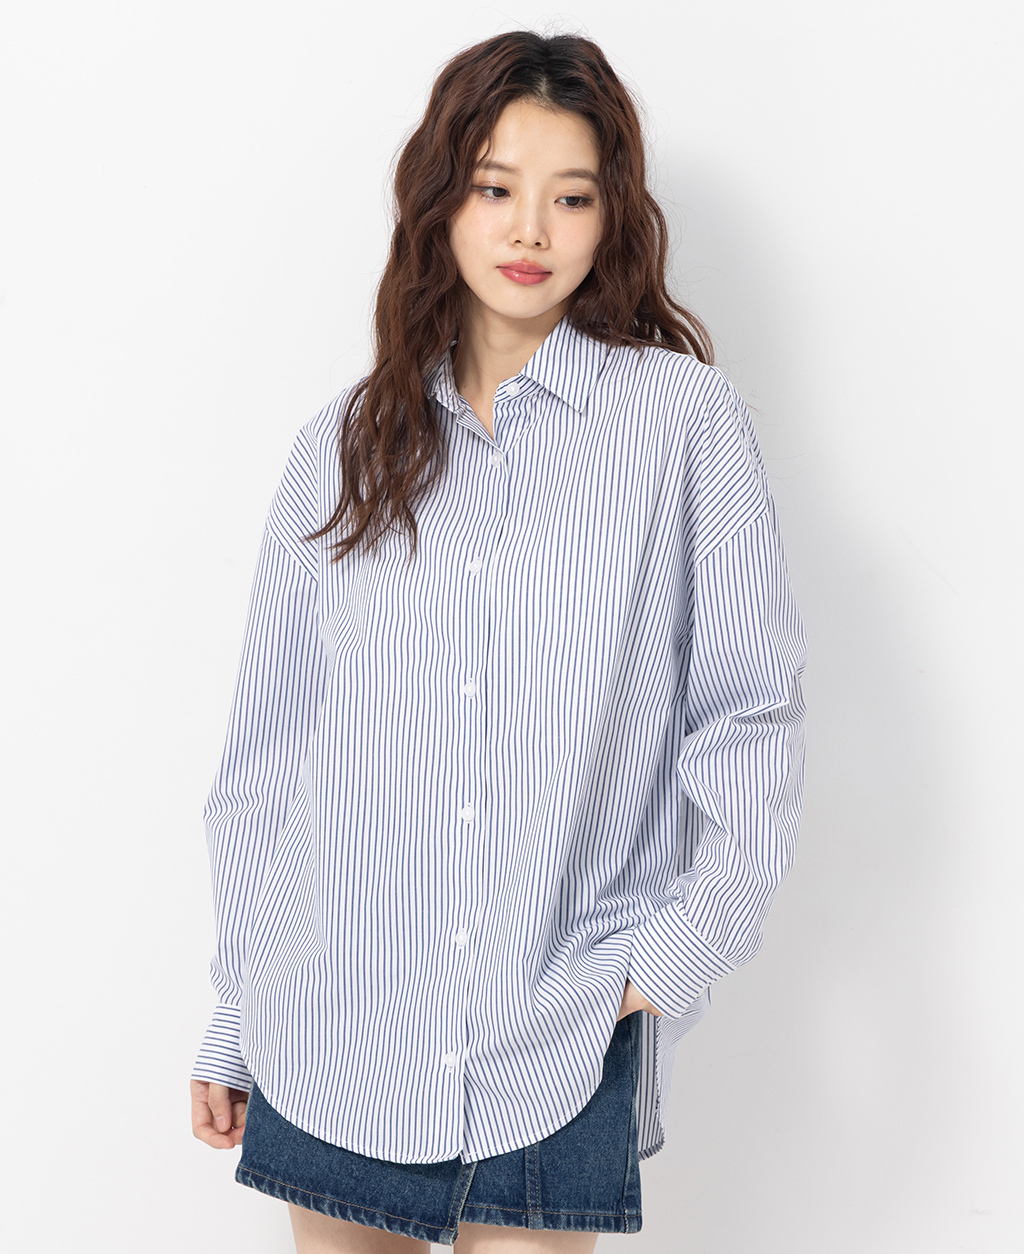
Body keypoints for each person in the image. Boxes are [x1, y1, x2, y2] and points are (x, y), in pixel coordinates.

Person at [190, 29, 806, 1254]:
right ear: (440, 202)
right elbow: (270, 763)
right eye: (494, 188)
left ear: (611, 216)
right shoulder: (342, 446)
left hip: (559, 1032)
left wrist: (671, 956)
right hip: (334, 1027)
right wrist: (236, 1015)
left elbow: (749, 714)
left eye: (571, 197)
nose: (531, 229)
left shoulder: (681, 425)